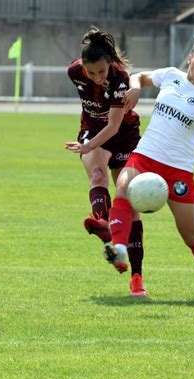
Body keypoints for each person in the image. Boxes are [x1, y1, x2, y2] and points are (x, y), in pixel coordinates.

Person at [103, 33, 194, 298]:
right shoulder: (171, 75)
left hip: (179, 170)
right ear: (190, 58)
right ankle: (120, 249)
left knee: (191, 235)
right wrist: (135, 86)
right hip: (146, 156)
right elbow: (140, 77)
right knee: (123, 188)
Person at [65, 27, 146, 296]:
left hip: (122, 134)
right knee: (97, 176)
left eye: (102, 71)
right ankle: (104, 226)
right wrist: (88, 144)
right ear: (82, 67)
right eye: (92, 73)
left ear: (110, 63)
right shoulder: (74, 71)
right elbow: (98, 122)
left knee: (130, 202)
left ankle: (136, 276)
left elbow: (113, 127)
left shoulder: (120, 77)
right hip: (91, 130)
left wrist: (87, 146)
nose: (98, 78)